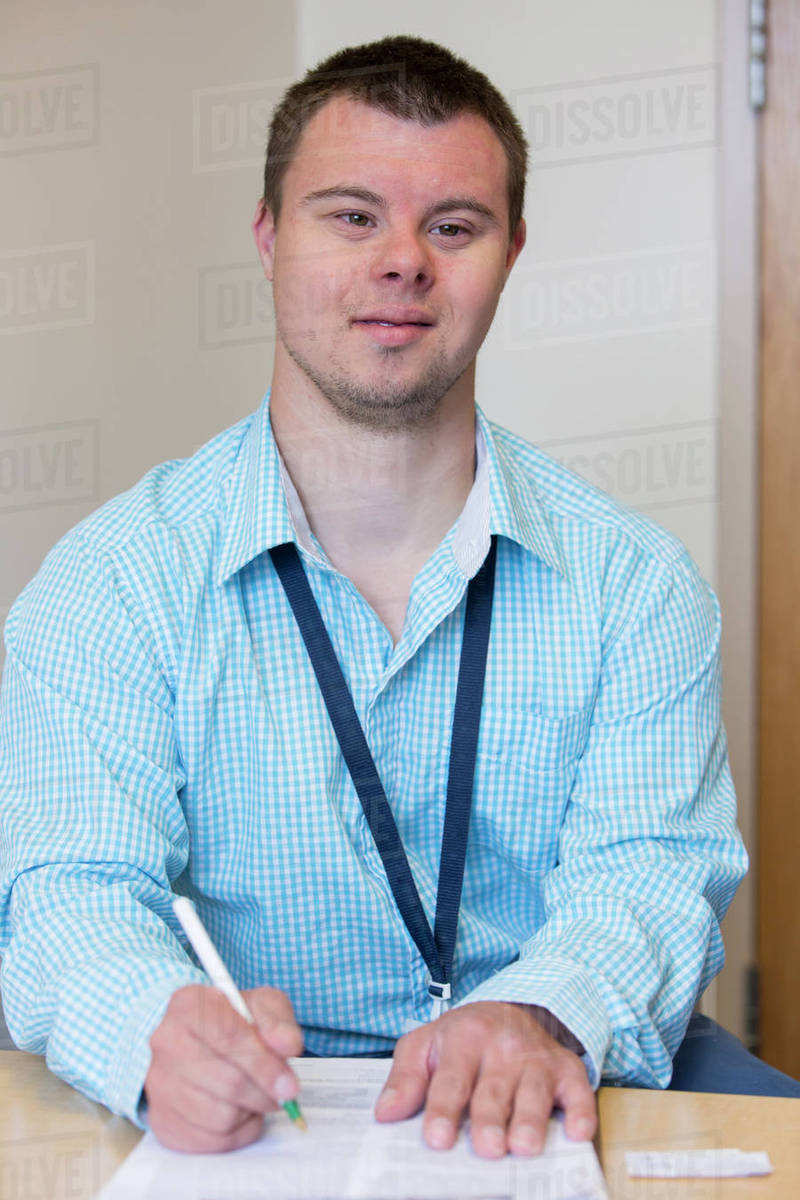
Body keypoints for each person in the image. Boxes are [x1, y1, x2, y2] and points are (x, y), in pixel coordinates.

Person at [0, 36, 750, 1160]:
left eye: (452, 226)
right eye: (351, 217)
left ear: (511, 253)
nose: (403, 261)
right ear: (266, 238)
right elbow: (70, 891)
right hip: (252, 1111)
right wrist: (153, 1029)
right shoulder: (111, 582)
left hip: (544, 1088)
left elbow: (648, 876)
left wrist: (539, 1013)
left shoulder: (636, 586)